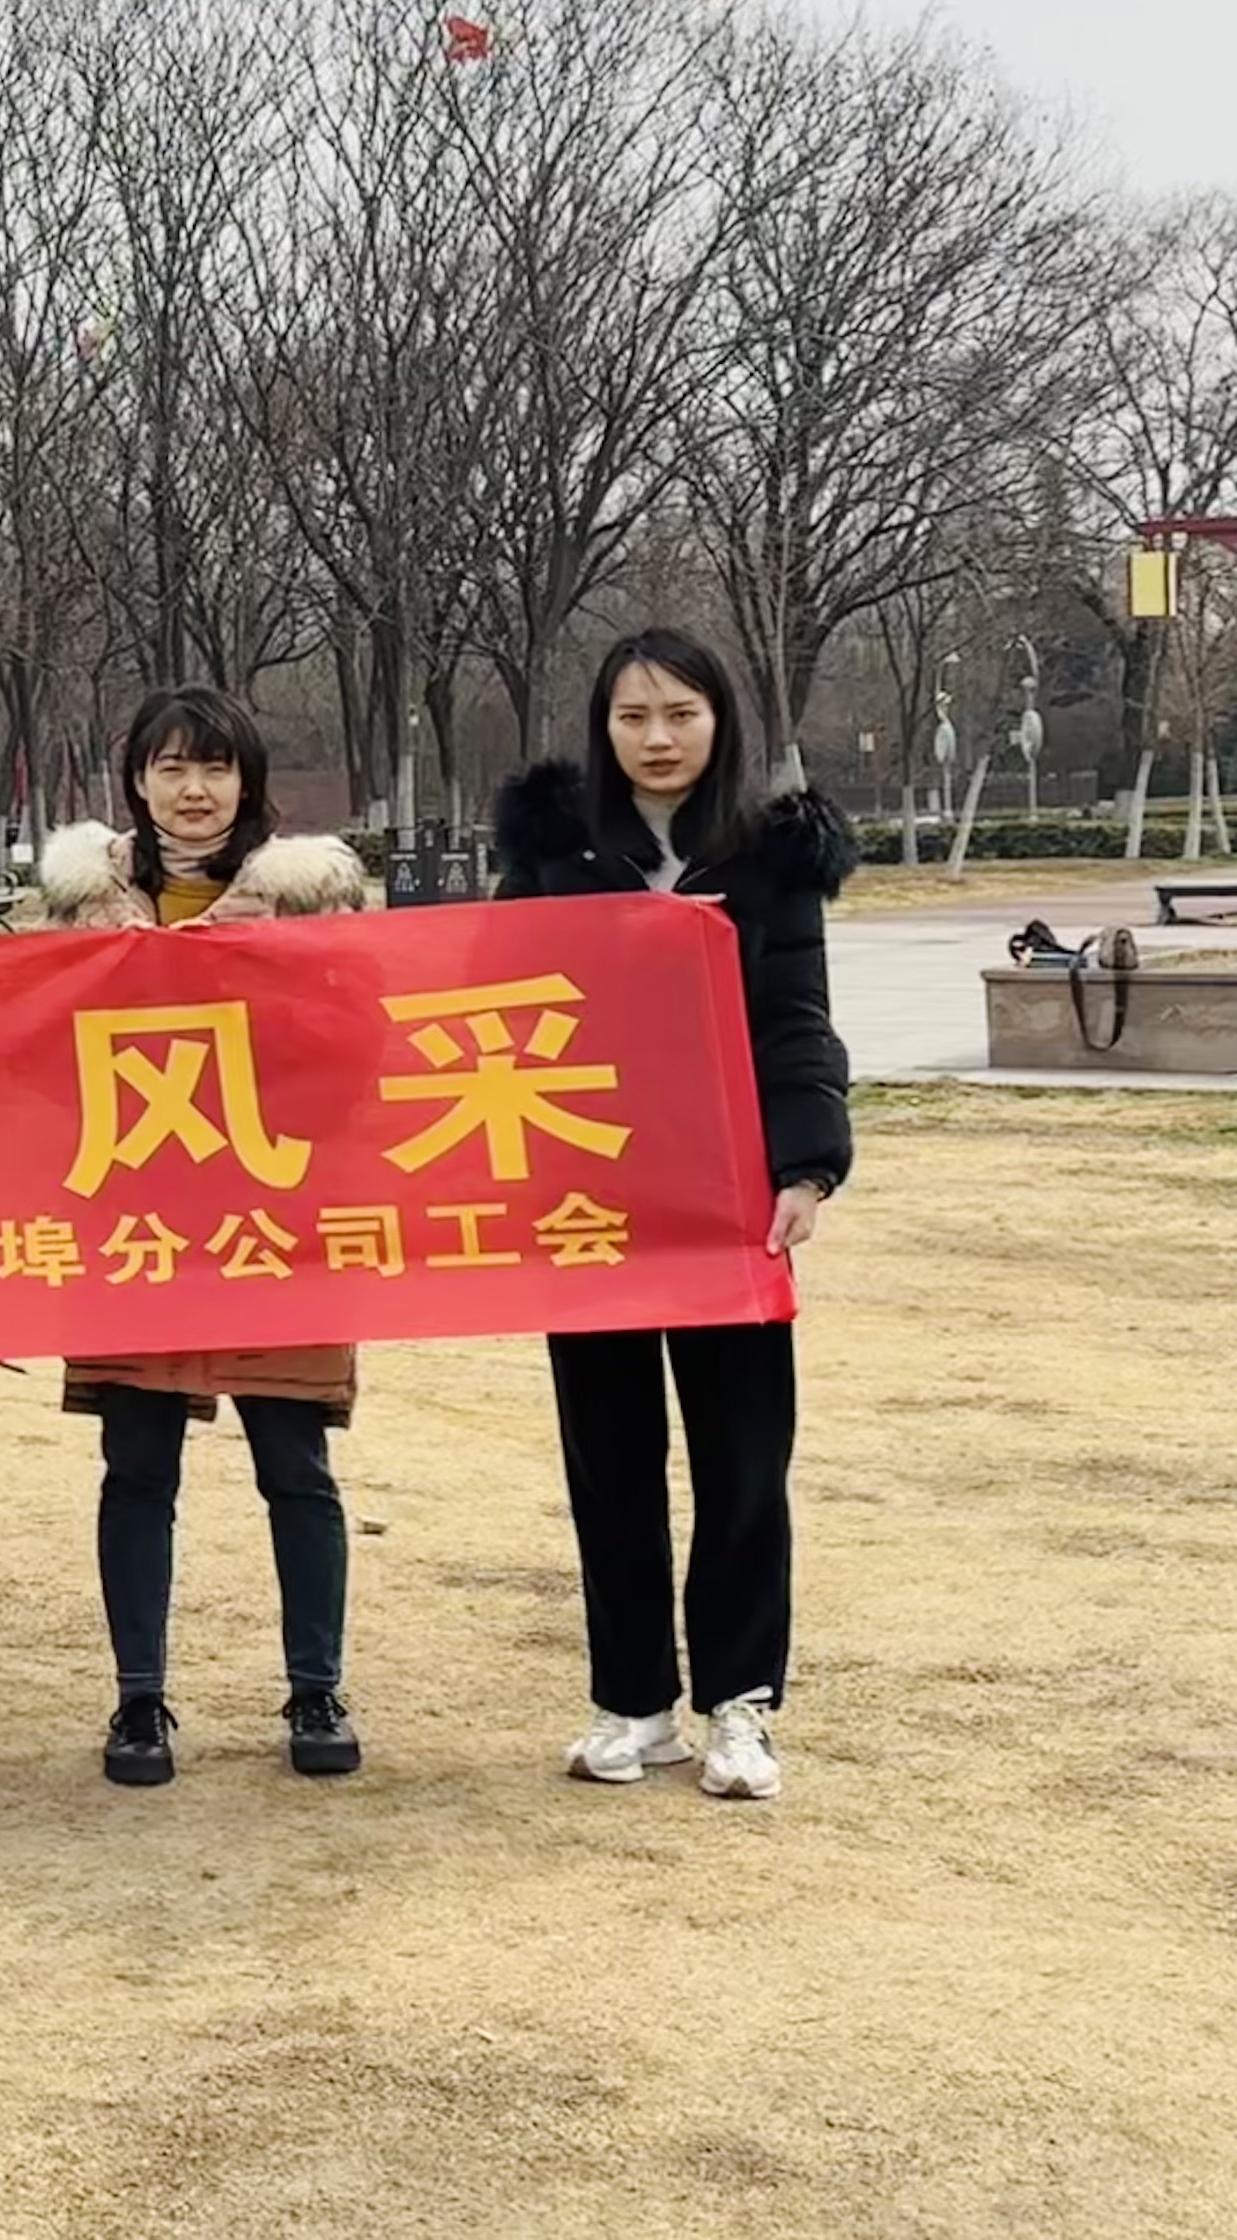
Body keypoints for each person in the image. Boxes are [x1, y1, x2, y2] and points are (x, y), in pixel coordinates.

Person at [494, 630, 852, 1804]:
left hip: (726, 1202)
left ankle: (740, 1705)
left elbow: (795, 1021)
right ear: (602, 727)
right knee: (610, 1460)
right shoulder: (552, 858)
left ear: (720, 723)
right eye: (634, 716)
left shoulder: (769, 857)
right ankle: (633, 1704)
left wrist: (807, 1168)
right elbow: (489, 1008)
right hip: (589, 1203)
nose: (658, 739)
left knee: (743, 1458)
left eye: (681, 714)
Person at [34, 686, 376, 1787]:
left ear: (248, 781)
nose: (194, 790)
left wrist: (264, 971)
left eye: (216, 768)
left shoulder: (314, 897)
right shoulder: (81, 906)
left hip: (276, 1218)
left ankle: (316, 1689)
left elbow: (362, 1051)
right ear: (136, 779)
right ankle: (139, 1701)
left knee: (296, 1466)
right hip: (135, 1222)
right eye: (171, 767)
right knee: (137, 1467)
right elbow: (26, 1058)